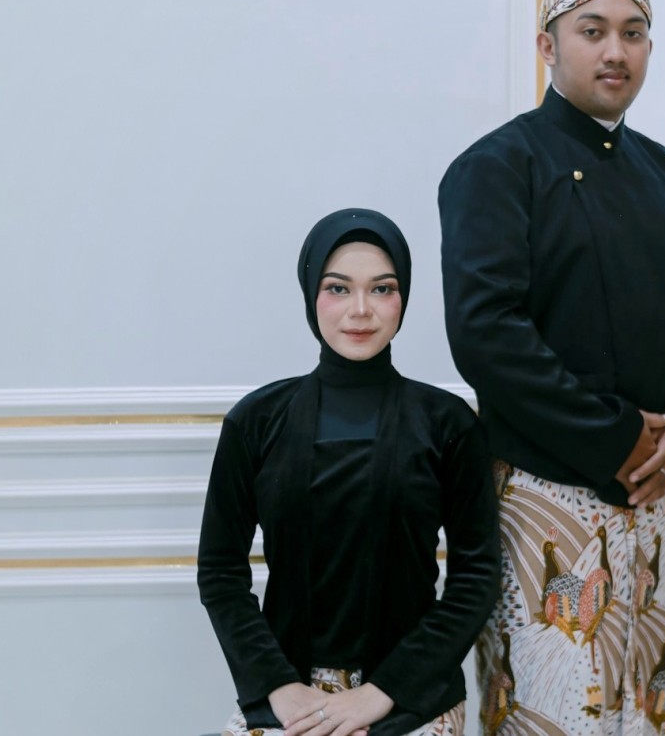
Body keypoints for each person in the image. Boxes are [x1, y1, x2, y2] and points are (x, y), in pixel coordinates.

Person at [438, 0, 665, 735]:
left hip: (656, 492)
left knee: (648, 710)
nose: (615, 51)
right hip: (543, 497)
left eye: (633, 34)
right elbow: (486, 332)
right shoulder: (495, 167)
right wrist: (616, 435)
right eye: (592, 31)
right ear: (548, 45)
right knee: (550, 715)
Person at [198, 208, 501, 736]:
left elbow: (476, 578)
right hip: (289, 695)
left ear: (403, 297)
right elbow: (221, 573)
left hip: (410, 695)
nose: (360, 310)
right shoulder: (255, 421)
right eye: (338, 288)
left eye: (382, 289)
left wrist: (379, 694)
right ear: (310, 294)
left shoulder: (448, 424)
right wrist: (279, 687)